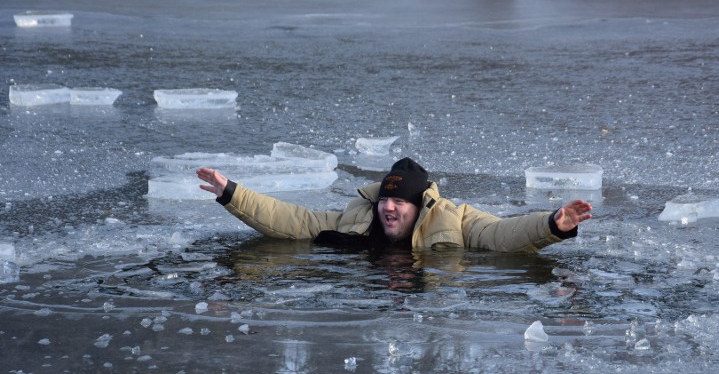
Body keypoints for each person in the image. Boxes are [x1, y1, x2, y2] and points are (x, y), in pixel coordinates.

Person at [196, 157, 592, 253]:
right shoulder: (359, 217)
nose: (389, 207)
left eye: (400, 202)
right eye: (386, 198)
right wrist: (232, 193)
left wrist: (552, 225)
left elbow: (500, 234)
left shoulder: (456, 219)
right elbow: (295, 221)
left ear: (420, 205)